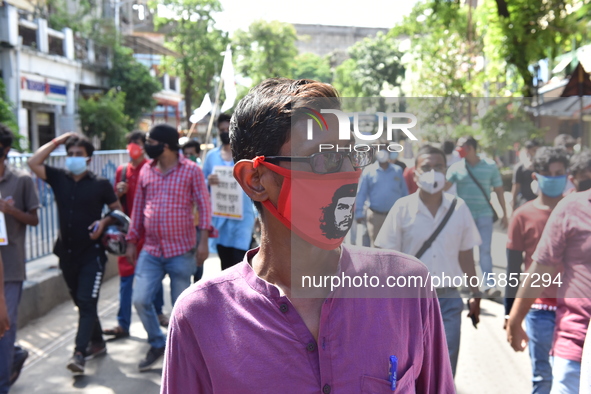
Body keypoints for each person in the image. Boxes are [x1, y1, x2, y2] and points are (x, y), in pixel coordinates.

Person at [162, 78, 454, 393]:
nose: (347, 174)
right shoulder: (201, 316)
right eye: (324, 158)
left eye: (352, 155)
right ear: (256, 179)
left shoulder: (406, 288)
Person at [375, 145, 482, 377]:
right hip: (409, 301)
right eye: (426, 167)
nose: (433, 172)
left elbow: (466, 255)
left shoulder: (459, 208)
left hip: (449, 301)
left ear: (446, 171)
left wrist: (476, 292)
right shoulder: (402, 209)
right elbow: (386, 259)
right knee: (411, 368)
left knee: (445, 366)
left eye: (438, 167)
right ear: (415, 174)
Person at [27, 132, 121, 374]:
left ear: (89, 158)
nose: (73, 158)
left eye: (78, 154)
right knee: (83, 303)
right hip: (66, 255)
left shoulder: (100, 183)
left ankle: (79, 353)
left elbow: (117, 212)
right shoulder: (59, 178)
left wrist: (103, 223)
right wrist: (58, 141)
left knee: (87, 302)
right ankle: (98, 342)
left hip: (93, 254)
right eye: (69, 154)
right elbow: (33, 163)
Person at [125, 124, 212, 372]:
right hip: (151, 251)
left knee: (181, 307)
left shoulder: (191, 171)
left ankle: (183, 355)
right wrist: (132, 241)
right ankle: (157, 343)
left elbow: (204, 207)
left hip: (182, 251)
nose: (146, 146)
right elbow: (138, 209)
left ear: (165, 145)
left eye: (150, 142)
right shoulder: (146, 171)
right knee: (140, 300)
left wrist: (203, 242)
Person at [507, 154, 591, 394]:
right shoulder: (570, 208)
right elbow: (534, 268)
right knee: (542, 376)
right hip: (569, 336)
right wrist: (513, 316)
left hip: (560, 318)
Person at [102, 131, 167, 340]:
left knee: (152, 276)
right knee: (126, 278)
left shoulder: (151, 170)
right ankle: (123, 323)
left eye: (137, 143)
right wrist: (119, 194)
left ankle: (157, 313)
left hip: (149, 234)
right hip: (128, 233)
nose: (133, 147)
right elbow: (116, 208)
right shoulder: (121, 172)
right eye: (130, 143)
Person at [0, 124, 40, 392]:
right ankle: (14, 355)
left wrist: (9, 211)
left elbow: (34, 219)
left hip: (11, 267)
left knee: (4, 328)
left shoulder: (22, 180)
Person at [445, 136, 508, 297]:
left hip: (485, 215)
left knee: (485, 250)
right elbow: (443, 189)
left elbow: (499, 190)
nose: (457, 150)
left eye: (461, 146)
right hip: (463, 217)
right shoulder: (456, 168)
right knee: (466, 250)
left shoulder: (490, 166)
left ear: (470, 148)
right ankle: (468, 283)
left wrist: (505, 214)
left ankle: (489, 285)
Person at [202, 113, 256, 270]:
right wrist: (208, 182)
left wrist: (258, 216)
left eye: (228, 129)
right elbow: (201, 186)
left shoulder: (247, 156)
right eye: (221, 129)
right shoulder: (211, 157)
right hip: (220, 221)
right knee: (225, 265)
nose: (225, 132)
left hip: (243, 220)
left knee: (241, 264)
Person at [355, 149, 408, 246]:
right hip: (376, 216)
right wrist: (359, 212)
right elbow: (362, 193)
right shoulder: (369, 171)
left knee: (394, 245)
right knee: (377, 246)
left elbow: (404, 192)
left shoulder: (397, 170)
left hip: (395, 216)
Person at [511, 140, 540, 211]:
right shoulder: (520, 168)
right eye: (534, 150)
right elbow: (516, 187)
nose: (536, 153)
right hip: (524, 202)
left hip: (538, 201)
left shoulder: (541, 167)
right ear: (528, 151)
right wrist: (513, 204)